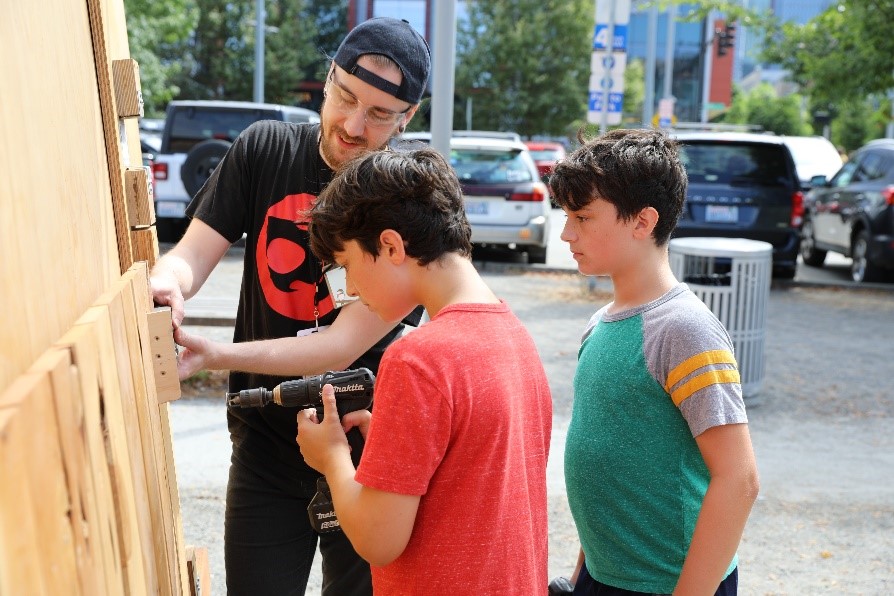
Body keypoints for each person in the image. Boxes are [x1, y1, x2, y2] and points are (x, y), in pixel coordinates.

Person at [148, 17, 431, 596]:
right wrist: (168, 282)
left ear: (409, 119)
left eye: (380, 114)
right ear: (327, 80)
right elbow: (193, 254)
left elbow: (342, 344)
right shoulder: (265, 149)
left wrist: (214, 354)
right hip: (264, 442)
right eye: (347, 98)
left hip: (368, 449)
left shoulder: (408, 198)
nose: (354, 125)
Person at [295, 148, 553, 593]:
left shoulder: (417, 360)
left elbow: (379, 540)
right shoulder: (515, 338)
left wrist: (332, 457)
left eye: (348, 266)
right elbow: (472, 488)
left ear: (391, 246)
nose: (350, 289)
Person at [549, 129, 760, 596]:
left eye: (582, 217)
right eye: (566, 216)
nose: (567, 233)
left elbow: (738, 479)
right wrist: (583, 572)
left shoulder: (684, 329)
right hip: (604, 578)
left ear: (642, 222)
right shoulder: (600, 324)